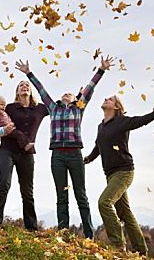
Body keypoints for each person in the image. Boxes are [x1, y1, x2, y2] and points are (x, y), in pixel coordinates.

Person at [15, 56, 114, 239]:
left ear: (75, 98)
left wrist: (101, 70)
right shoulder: (53, 108)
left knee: (80, 195)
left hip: (75, 154)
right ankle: (64, 232)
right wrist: (29, 73)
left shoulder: (79, 107)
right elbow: (41, 90)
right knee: (62, 196)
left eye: (70, 93)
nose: (66, 94)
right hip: (58, 156)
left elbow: (90, 88)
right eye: (64, 93)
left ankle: (89, 234)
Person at [83, 96, 154, 255]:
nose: (106, 99)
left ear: (117, 107)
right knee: (125, 213)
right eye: (106, 98)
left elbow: (139, 121)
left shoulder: (121, 121)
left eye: (111, 99)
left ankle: (118, 245)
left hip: (124, 172)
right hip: (111, 174)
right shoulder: (101, 127)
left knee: (104, 203)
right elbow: (98, 147)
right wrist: (87, 159)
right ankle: (141, 251)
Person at [0, 81, 49, 230]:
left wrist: (76, 98)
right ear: (17, 91)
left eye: (27, 85)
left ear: (31, 91)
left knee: (27, 190)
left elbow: (54, 106)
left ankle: (31, 227)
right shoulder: (10, 108)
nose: (24, 86)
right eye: (21, 85)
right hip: (7, 150)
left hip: (27, 153)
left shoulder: (40, 109)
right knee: (4, 183)